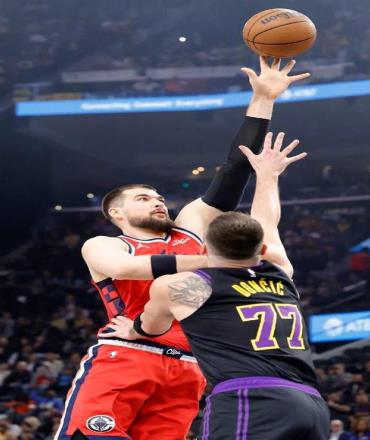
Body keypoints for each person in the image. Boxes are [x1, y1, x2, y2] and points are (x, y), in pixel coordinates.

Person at [55, 58, 311, 440]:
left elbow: (234, 170)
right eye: (143, 198)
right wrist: (220, 261)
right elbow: (127, 270)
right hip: (130, 352)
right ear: (116, 213)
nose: (157, 202)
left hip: (191, 366)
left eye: (159, 197)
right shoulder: (105, 244)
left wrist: (263, 100)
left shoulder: (188, 225)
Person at [102, 132, 330, 439]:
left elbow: (151, 327)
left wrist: (133, 329)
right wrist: (268, 176)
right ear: (260, 249)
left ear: (205, 250)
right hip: (311, 403)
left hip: (250, 399)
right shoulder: (279, 272)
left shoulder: (191, 286)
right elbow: (267, 223)